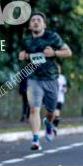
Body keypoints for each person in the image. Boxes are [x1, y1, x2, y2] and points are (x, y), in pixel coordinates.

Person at [19, 12, 72, 150]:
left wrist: (54, 53)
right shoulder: (27, 41)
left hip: (51, 79)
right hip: (34, 79)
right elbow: (23, 54)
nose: (35, 22)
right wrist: (23, 55)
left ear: (44, 24)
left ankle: (48, 124)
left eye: (39, 20)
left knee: (51, 112)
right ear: (30, 25)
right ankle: (35, 140)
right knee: (33, 109)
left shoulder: (52, 37)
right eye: (33, 20)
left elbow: (68, 52)